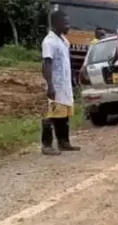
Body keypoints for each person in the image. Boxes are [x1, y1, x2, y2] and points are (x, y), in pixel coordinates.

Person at [41, 10, 80, 156]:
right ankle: (46, 144)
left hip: (65, 85)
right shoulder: (49, 42)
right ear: (56, 23)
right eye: (65, 22)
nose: (68, 25)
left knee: (64, 115)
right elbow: (46, 64)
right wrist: (50, 85)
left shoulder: (64, 41)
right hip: (55, 84)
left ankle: (64, 142)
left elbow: (65, 63)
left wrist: (73, 80)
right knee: (52, 115)